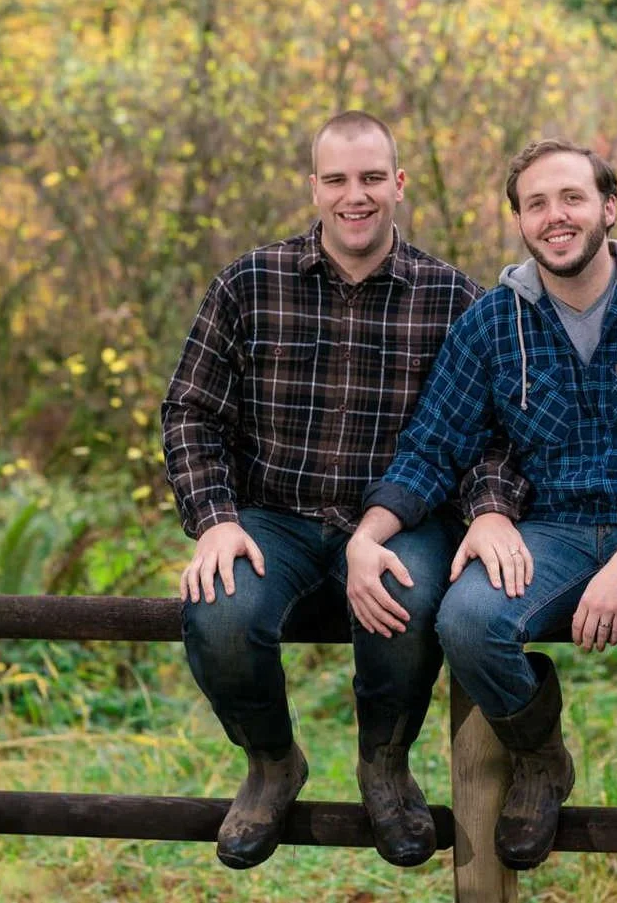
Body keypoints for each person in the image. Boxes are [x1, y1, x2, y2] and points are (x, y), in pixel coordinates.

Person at [347, 138, 617, 879]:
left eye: (571, 197)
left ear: (608, 207)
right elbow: (433, 446)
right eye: (536, 203)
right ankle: (540, 757)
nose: (555, 216)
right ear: (520, 221)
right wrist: (368, 536)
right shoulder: (494, 323)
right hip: (554, 529)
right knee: (467, 619)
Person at [161, 111, 528, 871]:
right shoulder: (249, 283)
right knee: (219, 610)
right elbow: (190, 410)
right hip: (274, 519)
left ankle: (384, 763)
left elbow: (492, 430)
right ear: (314, 187)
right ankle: (271, 762)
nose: (353, 196)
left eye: (369, 178)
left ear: (398, 184)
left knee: (408, 599)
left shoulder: (451, 296)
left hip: (397, 521)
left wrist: (490, 508)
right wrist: (215, 519)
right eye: (336, 179)